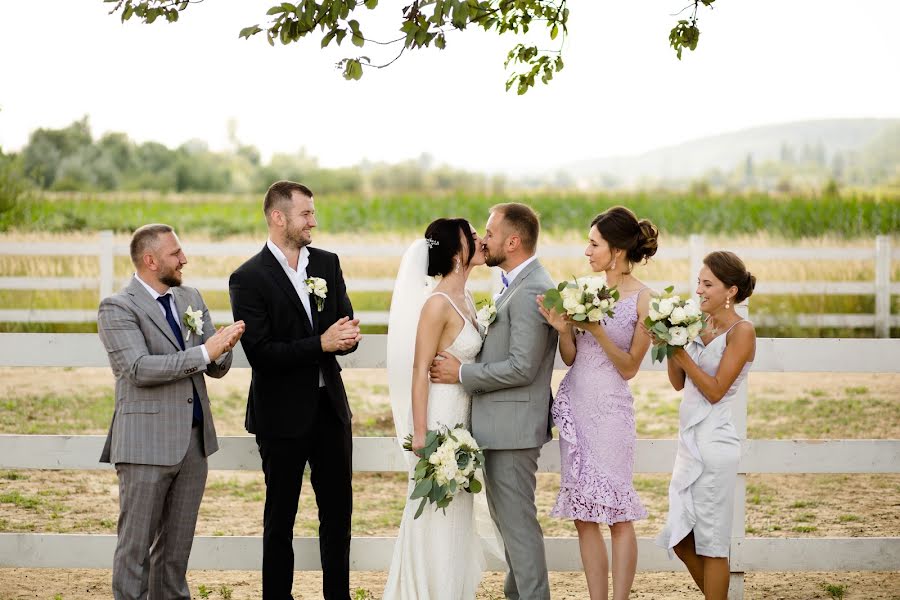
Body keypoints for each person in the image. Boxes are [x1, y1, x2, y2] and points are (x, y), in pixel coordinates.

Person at [228, 181, 362, 600]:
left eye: (313, 213)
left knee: (338, 517)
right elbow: (262, 353)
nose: (313, 221)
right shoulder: (247, 278)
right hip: (281, 414)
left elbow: (345, 322)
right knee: (280, 519)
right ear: (278, 217)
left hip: (330, 410)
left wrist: (347, 337)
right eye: (306, 214)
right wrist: (321, 343)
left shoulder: (327, 262)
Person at [98, 223, 245, 600]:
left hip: (193, 446)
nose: (185, 259)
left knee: (176, 553)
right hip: (145, 446)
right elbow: (138, 369)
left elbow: (215, 366)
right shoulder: (117, 307)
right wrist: (204, 352)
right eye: (175, 254)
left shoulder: (190, 297)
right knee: (135, 550)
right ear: (150, 260)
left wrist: (225, 347)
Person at [429, 202, 558, 600]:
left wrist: (462, 374)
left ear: (513, 241)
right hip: (502, 428)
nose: (483, 239)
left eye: (490, 232)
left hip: (513, 431)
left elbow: (522, 367)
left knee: (518, 527)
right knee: (510, 525)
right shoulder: (514, 285)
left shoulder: (533, 289)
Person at [536, 206, 656, 600]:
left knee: (619, 515)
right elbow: (572, 357)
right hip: (576, 407)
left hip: (611, 414)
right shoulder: (584, 290)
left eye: (594, 243)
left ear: (617, 250)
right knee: (583, 517)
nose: (587, 251)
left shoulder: (644, 300)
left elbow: (629, 367)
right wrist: (562, 330)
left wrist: (598, 330)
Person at [384, 218, 487, 599]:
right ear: (458, 253)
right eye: (471, 236)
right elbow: (418, 371)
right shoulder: (437, 304)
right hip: (441, 421)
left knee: (458, 512)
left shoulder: (468, 298)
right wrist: (423, 434)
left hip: (465, 419)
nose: (479, 239)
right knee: (435, 513)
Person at [655, 251, 757, 600]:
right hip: (689, 444)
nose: (698, 290)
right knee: (682, 539)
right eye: (698, 282)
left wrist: (683, 353)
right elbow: (678, 383)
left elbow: (715, 391)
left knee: (712, 544)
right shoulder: (696, 322)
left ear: (730, 290)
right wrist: (671, 344)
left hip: (714, 445)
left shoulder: (741, 332)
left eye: (707, 284)